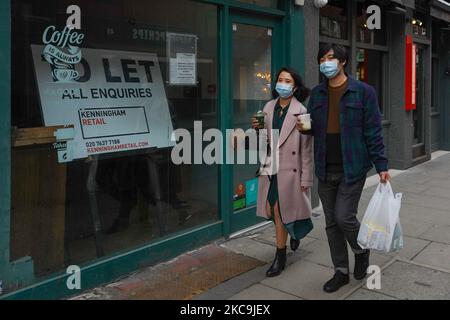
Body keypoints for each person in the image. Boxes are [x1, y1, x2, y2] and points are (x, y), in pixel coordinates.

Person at [297, 44, 391, 293]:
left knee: (344, 217)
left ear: (342, 62)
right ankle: (340, 271)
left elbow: (373, 131)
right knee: (330, 223)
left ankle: (361, 251)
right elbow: (313, 127)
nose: (325, 62)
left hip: (353, 166)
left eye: (330, 58)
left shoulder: (363, 92)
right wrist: (304, 128)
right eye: (322, 59)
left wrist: (381, 164)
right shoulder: (317, 94)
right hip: (325, 167)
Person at [251, 67, 314, 277]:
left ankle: (280, 256)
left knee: (279, 210)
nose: (283, 84)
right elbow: (260, 142)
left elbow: (306, 149)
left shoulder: (302, 112)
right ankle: (293, 230)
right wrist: (256, 129)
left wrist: (306, 178)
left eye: (288, 81)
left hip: (290, 171)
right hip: (271, 167)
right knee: (272, 210)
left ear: (295, 87)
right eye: (280, 80)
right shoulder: (268, 107)